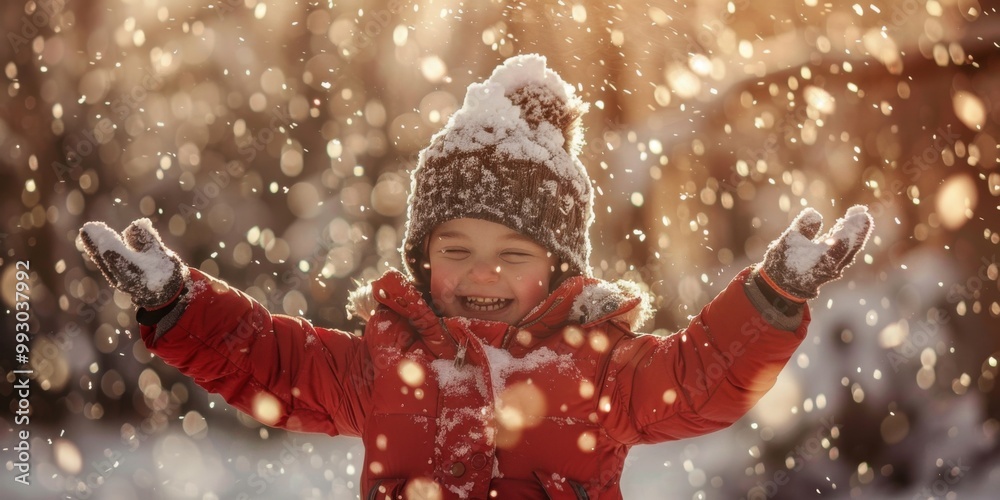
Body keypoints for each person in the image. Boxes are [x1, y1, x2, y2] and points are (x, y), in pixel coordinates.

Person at [79, 54, 873, 500]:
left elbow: (699, 378)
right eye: (454, 248)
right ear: (423, 259)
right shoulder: (382, 363)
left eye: (513, 254)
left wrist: (771, 298)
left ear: (558, 268)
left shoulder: (598, 366)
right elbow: (274, 364)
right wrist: (183, 304)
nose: (480, 271)